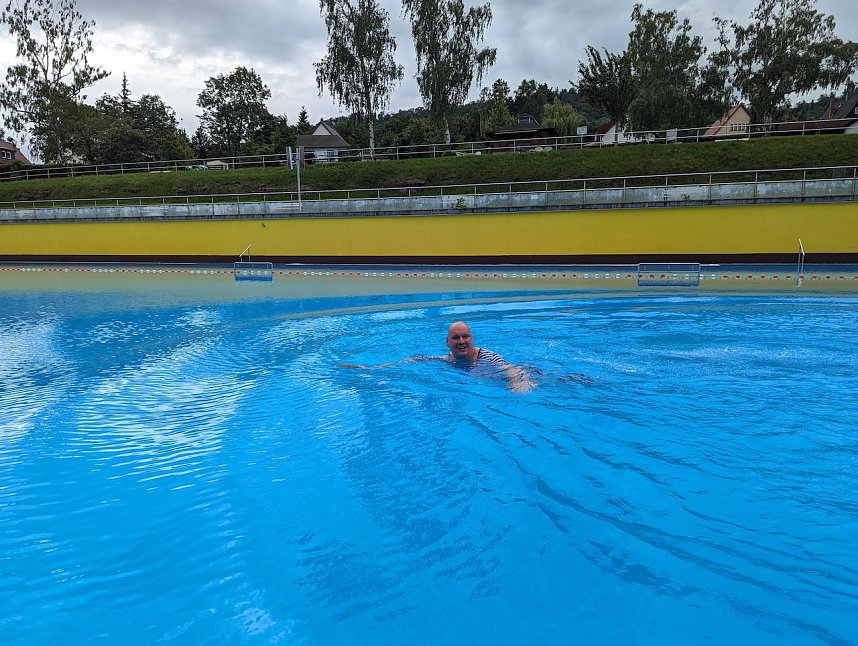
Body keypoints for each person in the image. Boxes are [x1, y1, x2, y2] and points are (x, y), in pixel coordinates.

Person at [340, 321, 535, 393]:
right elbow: (412, 361)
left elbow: (512, 368)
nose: (461, 341)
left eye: (465, 337)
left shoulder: (488, 357)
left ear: (472, 339)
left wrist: (518, 383)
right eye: (456, 338)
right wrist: (368, 369)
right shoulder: (446, 359)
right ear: (448, 343)